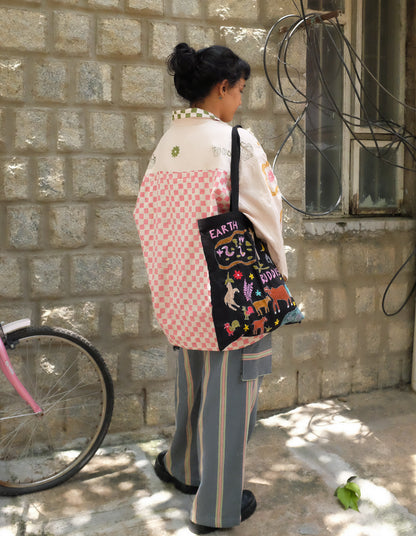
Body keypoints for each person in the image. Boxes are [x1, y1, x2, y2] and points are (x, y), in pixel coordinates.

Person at [134, 43, 288, 535]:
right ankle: (218, 506)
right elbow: (267, 220)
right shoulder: (235, 144)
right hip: (231, 299)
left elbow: (145, 217)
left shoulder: (166, 144)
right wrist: (279, 279)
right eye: (239, 91)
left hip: (179, 297)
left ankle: (182, 467)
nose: (239, 102)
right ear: (222, 87)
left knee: (193, 386)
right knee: (231, 398)